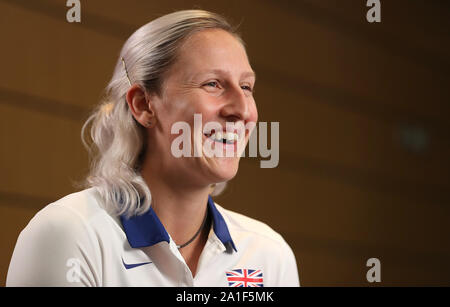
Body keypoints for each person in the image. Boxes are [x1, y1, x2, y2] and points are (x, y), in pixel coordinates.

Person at [6, 9, 300, 287]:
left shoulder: (270, 255)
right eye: (213, 84)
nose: (242, 110)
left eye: (246, 87)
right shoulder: (70, 233)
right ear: (144, 105)